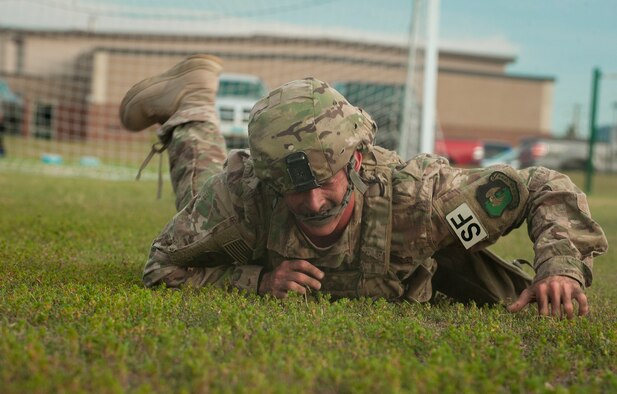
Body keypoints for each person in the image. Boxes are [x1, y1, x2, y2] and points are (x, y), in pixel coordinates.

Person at [120, 54, 608, 318]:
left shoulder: (421, 200)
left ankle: (192, 99)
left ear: (354, 158)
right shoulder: (242, 196)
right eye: (292, 189)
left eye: (324, 181)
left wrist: (559, 267)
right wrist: (258, 281)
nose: (312, 203)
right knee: (201, 186)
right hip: (231, 207)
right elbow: (161, 267)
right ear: (267, 181)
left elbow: (544, 185)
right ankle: (191, 107)